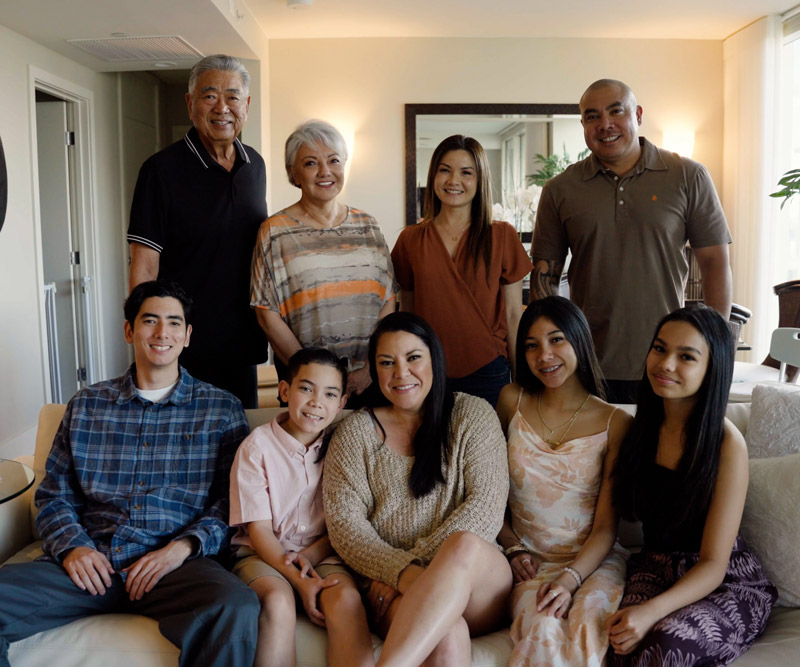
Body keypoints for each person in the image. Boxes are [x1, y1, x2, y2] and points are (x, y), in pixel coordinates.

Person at [0, 280, 259, 667]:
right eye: (149, 320)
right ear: (129, 330)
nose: (161, 333)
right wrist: (73, 547)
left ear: (187, 336)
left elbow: (231, 503)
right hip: (92, 563)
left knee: (234, 606)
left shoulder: (220, 409)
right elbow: (54, 495)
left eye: (174, 323)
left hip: (176, 567)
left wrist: (181, 549)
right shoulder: (87, 405)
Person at [322, 311, 512, 666]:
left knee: (465, 542)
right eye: (387, 362)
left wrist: (411, 571)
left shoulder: (472, 414)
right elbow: (346, 528)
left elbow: (486, 508)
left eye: (413, 358)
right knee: (448, 633)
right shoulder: (355, 434)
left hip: (479, 584)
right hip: (394, 589)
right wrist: (402, 572)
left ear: (434, 359)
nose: (401, 373)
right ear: (374, 371)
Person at [530, 79, 733, 404]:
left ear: (637, 114)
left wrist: (714, 344)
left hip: (669, 361)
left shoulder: (687, 175)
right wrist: (551, 351)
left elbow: (714, 263)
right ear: (583, 124)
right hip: (586, 363)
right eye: (592, 116)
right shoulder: (560, 189)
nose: (605, 124)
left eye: (616, 111)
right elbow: (545, 279)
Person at [608, 305, 776, 665]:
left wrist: (652, 612)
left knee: (667, 645)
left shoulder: (726, 444)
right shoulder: (635, 431)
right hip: (654, 568)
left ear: (711, 368)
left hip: (723, 580)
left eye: (686, 356)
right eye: (659, 348)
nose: (666, 364)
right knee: (616, 640)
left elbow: (714, 564)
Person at [496, 296, 632, 666]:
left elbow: (607, 527)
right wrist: (512, 548)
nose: (545, 356)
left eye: (557, 340)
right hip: (528, 560)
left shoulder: (615, 423)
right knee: (542, 625)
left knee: (589, 624)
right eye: (531, 345)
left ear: (579, 341)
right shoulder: (511, 401)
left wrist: (571, 579)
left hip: (593, 561)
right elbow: (492, 497)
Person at [128, 54, 268, 408]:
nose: (222, 107)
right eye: (210, 96)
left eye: (233, 97)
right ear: (191, 104)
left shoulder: (256, 166)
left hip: (242, 342)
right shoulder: (160, 171)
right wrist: (147, 336)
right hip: (184, 344)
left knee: (240, 446)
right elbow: (144, 266)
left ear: (246, 105)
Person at [229, 347, 373, 667]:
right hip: (262, 554)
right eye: (306, 388)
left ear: (341, 404)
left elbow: (345, 523)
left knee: (345, 599)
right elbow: (260, 531)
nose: (316, 402)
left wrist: (309, 559)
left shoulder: (343, 445)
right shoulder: (256, 448)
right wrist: (298, 579)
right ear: (285, 391)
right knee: (278, 601)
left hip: (322, 553)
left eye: (330, 394)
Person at [251, 119, 396, 408]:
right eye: (310, 163)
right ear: (294, 173)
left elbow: (388, 299)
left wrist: (369, 368)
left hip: (370, 378)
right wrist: (314, 377)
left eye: (334, 161)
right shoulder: (275, 231)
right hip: (308, 387)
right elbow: (266, 313)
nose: (325, 171)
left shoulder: (367, 225)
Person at [392, 134, 532, 408]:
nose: (453, 180)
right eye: (445, 170)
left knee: (489, 449)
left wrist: (521, 381)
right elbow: (406, 315)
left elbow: (514, 315)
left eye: (466, 172)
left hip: (489, 370)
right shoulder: (410, 240)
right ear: (433, 176)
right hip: (426, 371)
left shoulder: (502, 235)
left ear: (479, 181)